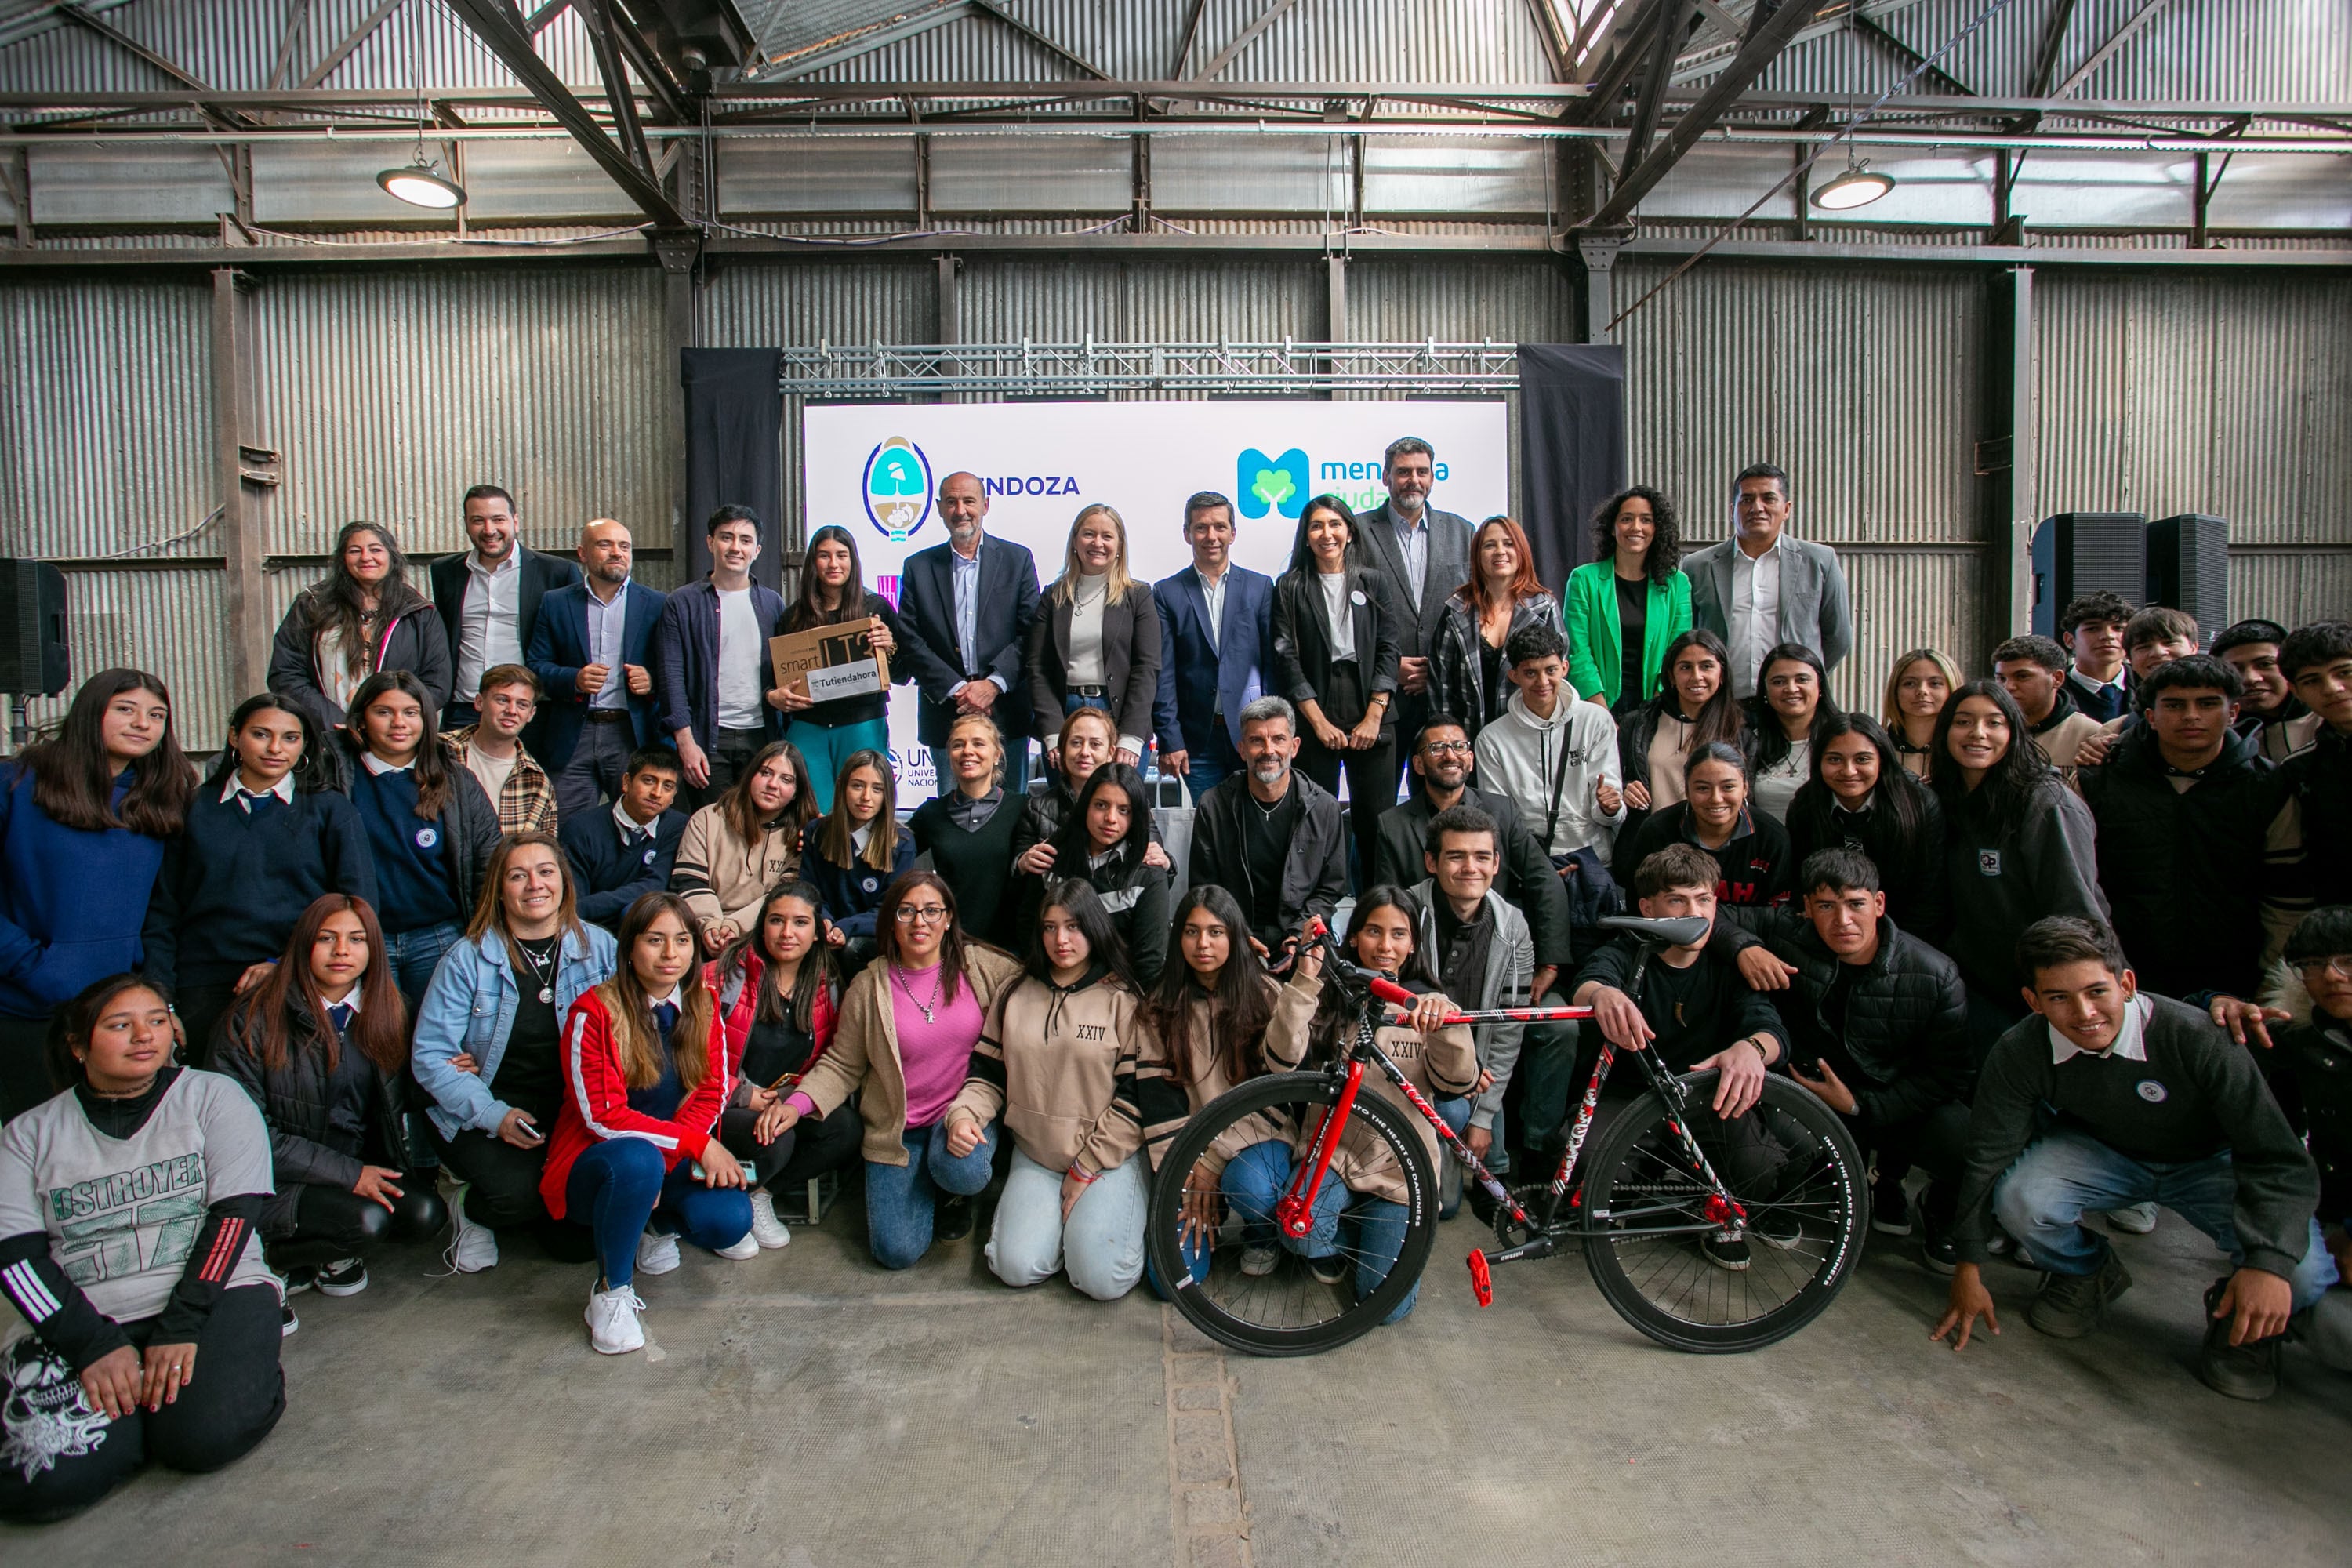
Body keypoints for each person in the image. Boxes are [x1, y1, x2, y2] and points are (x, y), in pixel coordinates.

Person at [1932, 917, 2336, 1401]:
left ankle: (2236, 1320)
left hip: (2210, 1163)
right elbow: (1987, 1155)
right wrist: (1969, 1266)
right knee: (2022, 1198)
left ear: (2126, 984)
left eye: (2096, 991)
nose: (2083, 1013)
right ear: (2033, 1002)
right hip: (2106, 1152)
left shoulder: (2198, 1037)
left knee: (2302, 1275)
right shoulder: (2020, 1049)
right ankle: (2087, 1272)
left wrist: (2267, 1264)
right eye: (2058, 998)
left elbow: (2279, 1160)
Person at [0, 977, 283, 1523]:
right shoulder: (27, 1135)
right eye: (119, 1024)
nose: (144, 1036)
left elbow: (234, 1221)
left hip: (213, 1295)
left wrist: (181, 1326)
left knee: (203, 1439)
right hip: (81, 1315)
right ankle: (132, 1423)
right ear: (78, 1045)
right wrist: (91, 1345)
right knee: (40, 1484)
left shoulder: (212, 1096)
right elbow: (15, 1258)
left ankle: (158, 1415)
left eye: (156, 1020)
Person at [1230, 891, 1476, 1319]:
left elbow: (1457, 1083)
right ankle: (1350, 1228)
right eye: (1373, 932)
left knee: (1389, 1310)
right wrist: (1306, 979)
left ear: (1414, 944)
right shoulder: (1331, 995)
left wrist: (1447, 1023)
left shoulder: (1425, 1003)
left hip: (1401, 1171)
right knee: (1300, 1234)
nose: (1385, 946)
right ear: (1355, 937)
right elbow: (1280, 1061)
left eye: (1399, 934)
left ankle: (1377, 1228)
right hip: (1334, 1157)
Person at [1726, 849, 1973, 1269]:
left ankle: (1938, 1207)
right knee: (1766, 1147)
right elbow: (1712, 916)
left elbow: (1949, 1076)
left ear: (1878, 904)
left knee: (1967, 1141)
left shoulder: (1934, 973)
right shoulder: (1788, 931)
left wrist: (1862, 1104)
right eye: (1826, 906)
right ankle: (1796, 1190)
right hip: (1813, 1094)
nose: (1842, 921)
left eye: (1856, 904)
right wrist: (1744, 947)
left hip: (1896, 1101)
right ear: (1806, 909)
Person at [771, 872, 1025, 1268]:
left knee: (963, 1170)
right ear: (891, 921)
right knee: (895, 1252)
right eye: (906, 911)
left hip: (962, 1115)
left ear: (948, 919)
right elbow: (842, 1064)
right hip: (898, 1131)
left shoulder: (980, 969)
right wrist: (797, 1105)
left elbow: (1038, 985)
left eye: (931, 911)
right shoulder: (869, 987)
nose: (919, 922)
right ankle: (926, 1178)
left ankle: (952, 1190)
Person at [540, 892, 756, 1356]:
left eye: (681, 940)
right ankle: (611, 1291)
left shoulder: (703, 1003)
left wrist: (678, 1152)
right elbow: (602, 1116)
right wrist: (694, 1145)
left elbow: (712, 1090)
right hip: (603, 1164)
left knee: (732, 1220)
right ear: (630, 948)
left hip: (665, 1160)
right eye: (655, 940)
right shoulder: (593, 1010)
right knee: (637, 1161)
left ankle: (653, 1227)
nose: (670, 954)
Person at [1570, 844, 1795, 1270]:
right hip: (1631, 1096)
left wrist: (1752, 1050)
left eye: (1704, 899)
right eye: (1677, 900)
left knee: (1760, 1167)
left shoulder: (1727, 965)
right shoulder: (1627, 952)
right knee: (1588, 1164)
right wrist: (1604, 996)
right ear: (1647, 907)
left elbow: (1771, 1029)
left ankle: (1709, 1213)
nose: (1694, 912)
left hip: (1706, 1099)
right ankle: (1646, 1180)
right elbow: (1590, 981)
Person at [212, 895, 445, 1306]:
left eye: (357, 939)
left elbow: (398, 1097)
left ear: (373, 949)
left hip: (351, 1167)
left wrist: (444, 1069)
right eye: (326, 938)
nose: (342, 951)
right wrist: (352, 1174)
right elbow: (247, 1138)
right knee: (367, 1222)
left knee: (426, 1214)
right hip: (274, 1180)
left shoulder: (389, 1009)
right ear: (303, 946)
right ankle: (270, 1261)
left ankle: (326, 1251)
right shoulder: (251, 1018)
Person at [946, 881, 1169, 1300]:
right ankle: (1065, 1230)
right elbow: (988, 1074)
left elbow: (1137, 1097)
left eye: (1073, 927)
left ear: (1095, 928)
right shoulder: (1014, 993)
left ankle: (1100, 1223)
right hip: (1037, 1154)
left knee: (1102, 1281)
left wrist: (1087, 1167)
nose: (1060, 940)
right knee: (1015, 1267)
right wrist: (963, 1114)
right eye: (1049, 928)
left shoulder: (1123, 999)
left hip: (1105, 1159)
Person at [411, 832, 618, 1272]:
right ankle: (469, 1207)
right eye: (518, 876)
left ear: (563, 881)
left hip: (570, 1112)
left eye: (545, 872)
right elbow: (430, 1056)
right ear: (499, 890)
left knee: (576, 1245)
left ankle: (541, 1204)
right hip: (486, 1110)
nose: (535, 885)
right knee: (517, 1197)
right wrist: (494, 1115)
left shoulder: (600, 949)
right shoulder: (466, 959)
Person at [142, 695, 374, 1069]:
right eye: (261, 734)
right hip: (204, 983)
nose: (275, 749)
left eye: (290, 738)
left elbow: (357, 905)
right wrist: (161, 999)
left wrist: (283, 964)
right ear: (235, 737)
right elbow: (162, 911)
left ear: (305, 747)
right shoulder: (191, 809)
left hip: (299, 979)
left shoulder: (330, 811)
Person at [0, 670, 191, 1121]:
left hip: (114, 1016)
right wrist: (35, 966)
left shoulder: (160, 798)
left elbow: (160, 913)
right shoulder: (18, 783)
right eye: (126, 709)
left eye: (157, 715)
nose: (143, 723)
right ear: (91, 713)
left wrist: (158, 1001)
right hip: (25, 1010)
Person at [2081, 655, 2303, 1007]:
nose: (2191, 716)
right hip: (2124, 975)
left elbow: (2286, 898)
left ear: (2233, 713)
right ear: (2151, 717)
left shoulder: (2268, 786)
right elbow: (2079, 885)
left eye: (2208, 703)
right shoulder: (2099, 780)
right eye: (2174, 705)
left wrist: (2272, 982)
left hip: (2235, 979)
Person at [1927, 681, 2107, 1055]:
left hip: (2038, 992)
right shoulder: (1941, 798)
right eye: (1963, 721)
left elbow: (2076, 910)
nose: (1978, 733)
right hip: (1970, 987)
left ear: (2014, 732)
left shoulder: (2046, 802)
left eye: (1994, 723)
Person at [707, 882, 864, 1250]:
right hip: (723, 1103)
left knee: (846, 1128)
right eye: (777, 920)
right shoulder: (724, 976)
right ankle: (725, 1208)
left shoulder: (827, 984)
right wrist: (746, 1095)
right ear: (763, 925)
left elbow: (830, 1060)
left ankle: (759, 1195)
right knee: (775, 1138)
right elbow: (694, 1059)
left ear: (817, 932)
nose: (788, 932)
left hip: (785, 1099)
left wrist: (791, 1101)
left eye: (800, 922)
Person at [1140, 886, 1281, 1288]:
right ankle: (1208, 1216)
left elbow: (1280, 1098)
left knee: (1252, 1187)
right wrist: (1185, 1177)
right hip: (1188, 1149)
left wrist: (1215, 1162)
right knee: (1170, 1282)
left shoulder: (1266, 996)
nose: (1203, 944)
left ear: (1234, 937)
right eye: (1191, 931)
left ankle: (1262, 1230)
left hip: (1256, 1141)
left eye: (1216, 932)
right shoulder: (1159, 1006)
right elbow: (1157, 1100)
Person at [1374, 715, 1573, 995]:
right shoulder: (1392, 824)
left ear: (1470, 757)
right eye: (1437, 748)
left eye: (1459, 746)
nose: (1450, 755)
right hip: (1424, 958)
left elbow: (1544, 880)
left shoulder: (1502, 811)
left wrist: (1550, 964)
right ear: (1418, 764)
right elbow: (1387, 903)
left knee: (1559, 1026)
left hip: (1495, 951)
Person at [339, 670, 501, 1013]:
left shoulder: (456, 781)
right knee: (379, 1040)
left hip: (439, 937)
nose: (399, 723)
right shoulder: (339, 778)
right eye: (384, 712)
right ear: (362, 720)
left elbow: (489, 861)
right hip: (365, 938)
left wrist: (483, 933)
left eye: (410, 713)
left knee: (438, 1038)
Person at [1271, 493, 1404, 884]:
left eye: (1334, 524)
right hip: (1315, 709)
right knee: (1315, 824)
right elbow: (1286, 658)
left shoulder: (1374, 581)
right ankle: (1317, 927)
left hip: (1370, 706)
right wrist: (1317, 723)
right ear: (1306, 536)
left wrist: (1374, 716)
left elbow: (1389, 648)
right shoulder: (1290, 587)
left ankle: (1377, 920)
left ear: (1349, 531)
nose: (1326, 533)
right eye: (1316, 526)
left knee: (1376, 826)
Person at [1406, 806, 1532, 1206]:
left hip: (1478, 1079)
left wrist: (1484, 1116)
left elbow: (1510, 1030)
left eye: (1481, 857)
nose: (1469, 868)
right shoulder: (1404, 911)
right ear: (1432, 862)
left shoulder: (1515, 927)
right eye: (1456, 856)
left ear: (1496, 863)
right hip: (1415, 1069)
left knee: (1489, 1169)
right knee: (1442, 1206)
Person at [898, 470, 1044, 797]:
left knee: (1012, 814)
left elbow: (1030, 633)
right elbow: (910, 639)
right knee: (954, 816)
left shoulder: (1017, 560)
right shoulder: (918, 567)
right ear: (938, 508)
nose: (960, 510)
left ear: (986, 505)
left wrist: (992, 685)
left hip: (1006, 711)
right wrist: (960, 690)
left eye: (968, 501)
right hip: (946, 714)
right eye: (951, 502)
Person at [1472, 623, 1630, 913]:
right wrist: (1534, 867)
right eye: (1530, 673)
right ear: (1514, 676)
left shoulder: (1596, 721)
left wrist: (1610, 807)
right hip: (1530, 868)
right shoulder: (1492, 739)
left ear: (1565, 668)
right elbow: (1500, 820)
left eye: (1550, 670)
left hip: (1593, 860)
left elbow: (1611, 806)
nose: (1542, 681)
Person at [1351, 437, 1475, 789]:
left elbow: (1472, 612)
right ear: (1385, 476)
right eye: (1403, 472)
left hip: (1444, 696)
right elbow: (1345, 613)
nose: (1413, 480)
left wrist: (1435, 669)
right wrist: (1390, 665)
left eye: (1422, 472)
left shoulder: (1462, 532)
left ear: (1433, 478)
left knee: (1441, 805)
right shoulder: (1357, 532)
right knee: (1377, 809)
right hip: (1379, 698)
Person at [1188, 697, 1348, 968]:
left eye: (1278, 739)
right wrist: (1238, 935)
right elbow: (1205, 887)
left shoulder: (1323, 807)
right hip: (1233, 932)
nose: (1268, 750)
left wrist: (1299, 935)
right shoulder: (1214, 805)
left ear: (1294, 747)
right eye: (1256, 741)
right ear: (1241, 749)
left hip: (1303, 932)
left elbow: (1330, 887)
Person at [651, 505, 789, 811]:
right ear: (710, 542)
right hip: (707, 740)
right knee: (715, 828)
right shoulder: (682, 603)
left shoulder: (772, 603)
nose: (736, 547)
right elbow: (671, 677)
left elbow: (783, 668)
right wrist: (685, 743)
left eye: (745, 539)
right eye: (727, 537)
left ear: (757, 550)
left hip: (761, 736)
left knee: (760, 826)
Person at [528, 517, 666, 820]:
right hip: (572, 733)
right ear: (582, 553)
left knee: (637, 823)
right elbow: (536, 667)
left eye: (624, 546)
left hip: (631, 733)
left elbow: (679, 668)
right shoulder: (556, 603)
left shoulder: (657, 604)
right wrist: (573, 678)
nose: (616, 552)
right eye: (605, 545)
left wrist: (653, 681)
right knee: (569, 826)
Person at [267, 521, 452, 739]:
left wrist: (386, 721)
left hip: (396, 737)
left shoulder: (419, 612)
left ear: (392, 557)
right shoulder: (312, 605)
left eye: (375, 550)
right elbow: (286, 673)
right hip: (328, 733)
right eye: (355, 551)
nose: (366, 557)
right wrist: (333, 721)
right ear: (342, 559)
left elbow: (437, 683)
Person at [771, 524, 910, 813]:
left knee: (863, 811)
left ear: (853, 561)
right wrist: (774, 696)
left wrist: (890, 647)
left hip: (862, 726)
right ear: (813, 563)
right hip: (808, 729)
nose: (833, 564)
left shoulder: (876, 609)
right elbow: (775, 681)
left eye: (841, 555)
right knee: (811, 815)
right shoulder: (792, 617)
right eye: (824, 556)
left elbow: (903, 674)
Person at [1685, 463, 1852, 700]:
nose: (1757, 508)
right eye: (1747, 500)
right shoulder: (1697, 566)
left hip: (1791, 705)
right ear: (1733, 509)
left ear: (1786, 509)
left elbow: (1838, 637)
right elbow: (1686, 637)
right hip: (1722, 704)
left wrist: (1807, 678)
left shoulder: (1820, 561)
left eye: (1768, 498)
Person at [1152, 489, 1276, 803]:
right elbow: (1163, 673)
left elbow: (1272, 665)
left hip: (1253, 735)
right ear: (1187, 533)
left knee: (1255, 827)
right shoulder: (1167, 592)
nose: (1211, 536)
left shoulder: (1260, 587)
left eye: (1220, 527)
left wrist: (1276, 730)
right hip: (1196, 742)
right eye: (1201, 527)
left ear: (1233, 533)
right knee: (1205, 833)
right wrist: (1170, 738)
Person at [428, 484, 581, 731]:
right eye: (478, 520)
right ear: (466, 523)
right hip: (464, 708)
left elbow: (573, 643)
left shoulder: (556, 572)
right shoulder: (446, 571)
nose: (489, 530)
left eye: (498, 519)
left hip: (529, 711)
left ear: (515, 521)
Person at [1783, 711, 1947, 935]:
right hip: (1834, 932)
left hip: (1907, 933)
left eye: (1862, 759)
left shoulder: (1919, 804)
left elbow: (1930, 891)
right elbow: (1801, 884)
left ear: (1882, 759)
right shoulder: (1805, 807)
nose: (1849, 771)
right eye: (1834, 759)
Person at [1025, 503, 1162, 772]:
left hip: (1121, 718)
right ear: (1075, 541)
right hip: (1064, 717)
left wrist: (1131, 737)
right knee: (1066, 810)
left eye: (1107, 536)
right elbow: (1037, 669)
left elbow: (1147, 668)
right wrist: (1053, 733)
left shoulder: (1138, 596)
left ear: (1120, 546)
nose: (1097, 543)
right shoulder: (1053, 596)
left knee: (1119, 808)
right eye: (1089, 534)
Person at [1025, 763, 1171, 986]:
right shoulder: (1052, 857)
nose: (1111, 818)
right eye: (1101, 805)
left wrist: (1121, 970)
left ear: (1136, 816)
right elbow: (1028, 929)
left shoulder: (1148, 872)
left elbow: (1150, 963)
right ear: (1086, 806)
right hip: (1053, 983)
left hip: (1119, 992)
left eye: (1124, 810)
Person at [672, 739, 816, 956]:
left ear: (797, 792)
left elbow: (783, 897)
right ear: (750, 776)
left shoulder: (803, 835)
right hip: (702, 926)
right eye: (766, 773)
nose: (773, 784)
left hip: (763, 932)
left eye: (786, 780)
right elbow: (690, 882)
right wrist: (712, 926)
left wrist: (733, 927)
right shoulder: (708, 819)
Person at [1428, 514, 1566, 736]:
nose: (1500, 551)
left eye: (1509, 544)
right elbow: (1440, 684)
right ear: (1477, 556)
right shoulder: (1457, 608)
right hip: (1468, 739)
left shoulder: (1544, 607)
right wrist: (1449, 740)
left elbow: (1559, 677)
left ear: (1521, 551)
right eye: (1490, 545)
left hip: (1529, 737)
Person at [1563, 485, 1693, 718]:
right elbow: (1577, 652)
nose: (1636, 527)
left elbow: (1678, 651)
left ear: (1657, 529)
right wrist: (1602, 715)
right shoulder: (1583, 580)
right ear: (1612, 528)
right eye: (1626, 519)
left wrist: (1654, 712)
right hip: (1596, 704)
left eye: (1646, 520)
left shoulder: (1678, 584)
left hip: (1658, 705)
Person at [1616, 742, 1794, 909]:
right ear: (1687, 790)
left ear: (1745, 788)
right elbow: (1640, 906)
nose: (1716, 798)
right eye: (1702, 788)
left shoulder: (1771, 837)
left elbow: (1779, 914)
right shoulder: (1658, 831)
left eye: (1728, 787)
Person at [1615, 628, 1748, 840]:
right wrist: (1625, 789)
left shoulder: (1741, 728)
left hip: (1717, 845)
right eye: (1685, 667)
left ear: (1721, 673)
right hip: (1653, 842)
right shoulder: (1639, 722)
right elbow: (1616, 780)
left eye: (1706, 666)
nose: (1696, 677)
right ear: (1671, 675)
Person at [1009, 706, 1169, 880]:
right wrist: (1021, 864)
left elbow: (1158, 871)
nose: (1085, 752)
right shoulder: (1035, 809)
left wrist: (1167, 863)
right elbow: (1016, 880)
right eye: (1076, 743)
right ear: (1062, 750)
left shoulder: (1133, 802)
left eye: (1095, 744)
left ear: (1110, 753)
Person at [909, 713, 1024, 948]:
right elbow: (889, 850)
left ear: (997, 755)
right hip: (950, 945)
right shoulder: (931, 813)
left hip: (1009, 949)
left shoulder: (1023, 808)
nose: (967, 751)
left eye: (978, 743)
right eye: (958, 745)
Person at [561, 747, 688, 935]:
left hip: (640, 927)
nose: (657, 793)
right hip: (586, 927)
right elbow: (575, 905)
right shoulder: (580, 828)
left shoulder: (678, 827)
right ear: (627, 782)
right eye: (648, 781)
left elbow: (654, 886)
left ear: (673, 797)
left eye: (667, 786)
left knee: (641, 911)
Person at [800, 750, 916, 948]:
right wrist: (823, 919)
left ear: (887, 795)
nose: (866, 797)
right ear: (842, 787)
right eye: (857, 786)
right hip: (821, 932)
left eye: (877, 789)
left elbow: (890, 908)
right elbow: (809, 890)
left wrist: (847, 927)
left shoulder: (901, 842)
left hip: (870, 940)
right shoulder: (816, 832)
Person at [2280, 621, 2352, 909]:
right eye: (2312, 680)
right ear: (2296, 692)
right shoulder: (2299, 768)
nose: (2332, 688)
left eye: (2344, 673)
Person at [439, 664, 557, 836]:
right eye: (502, 700)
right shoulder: (439, 749)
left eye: (522, 705)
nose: (512, 711)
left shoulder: (537, 782)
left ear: (531, 714)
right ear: (479, 702)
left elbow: (543, 850)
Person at [1991, 635, 2104, 781]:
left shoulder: (2089, 735)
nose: (2008, 687)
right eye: (2001, 679)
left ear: (2057, 678)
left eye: (2022, 676)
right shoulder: (1987, 729)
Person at [1748, 642, 1838, 823]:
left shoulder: (1841, 739)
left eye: (1802, 679)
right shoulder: (1751, 742)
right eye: (1779, 681)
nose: (1791, 688)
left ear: (1820, 685)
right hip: (1770, 848)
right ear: (1765, 690)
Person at [2213, 618, 2320, 764]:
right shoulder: (2214, 737)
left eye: (2265, 664)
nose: (2250, 678)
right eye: (2234, 669)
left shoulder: (2329, 723)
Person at [2056, 590, 2136, 722]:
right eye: (2093, 629)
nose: (2108, 636)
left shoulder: (2147, 683)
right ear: (2070, 640)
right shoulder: (2052, 689)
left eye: (2118, 628)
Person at [1882, 647, 1961, 779]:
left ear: (1952, 689)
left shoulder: (1964, 751)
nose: (1922, 691)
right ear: (1895, 691)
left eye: (1935, 683)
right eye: (1910, 683)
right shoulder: (1877, 750)